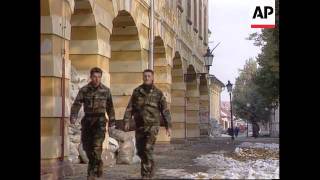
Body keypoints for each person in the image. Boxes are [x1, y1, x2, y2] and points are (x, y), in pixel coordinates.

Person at [123, 69, 172, 179]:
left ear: (153, 78)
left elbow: (165, 111)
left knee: (147, 148)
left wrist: (168, 126)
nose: (146, 78)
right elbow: (130, 107)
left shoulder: (158, 93)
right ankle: (151, 166)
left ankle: (145, 175)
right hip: (140, 126)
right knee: (140, 151)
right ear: (142, 77)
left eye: (149, 76)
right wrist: (126, 121)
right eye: (145, 76)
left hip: (152, 126)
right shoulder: (137, 91)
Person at [70, 67, 116, 180]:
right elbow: (77, 103)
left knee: (96, 147)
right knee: (87, 147)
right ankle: (99, 162)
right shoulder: (84, 90)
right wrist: (73, 115)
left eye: (99, 77)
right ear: (91, 77)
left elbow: (110, 108)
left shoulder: (106, 91)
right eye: (94, 77)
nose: (96, 79)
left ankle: (91, 173)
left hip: (100, 121)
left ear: (101, 78)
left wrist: (112, 123)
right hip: (88, 121)